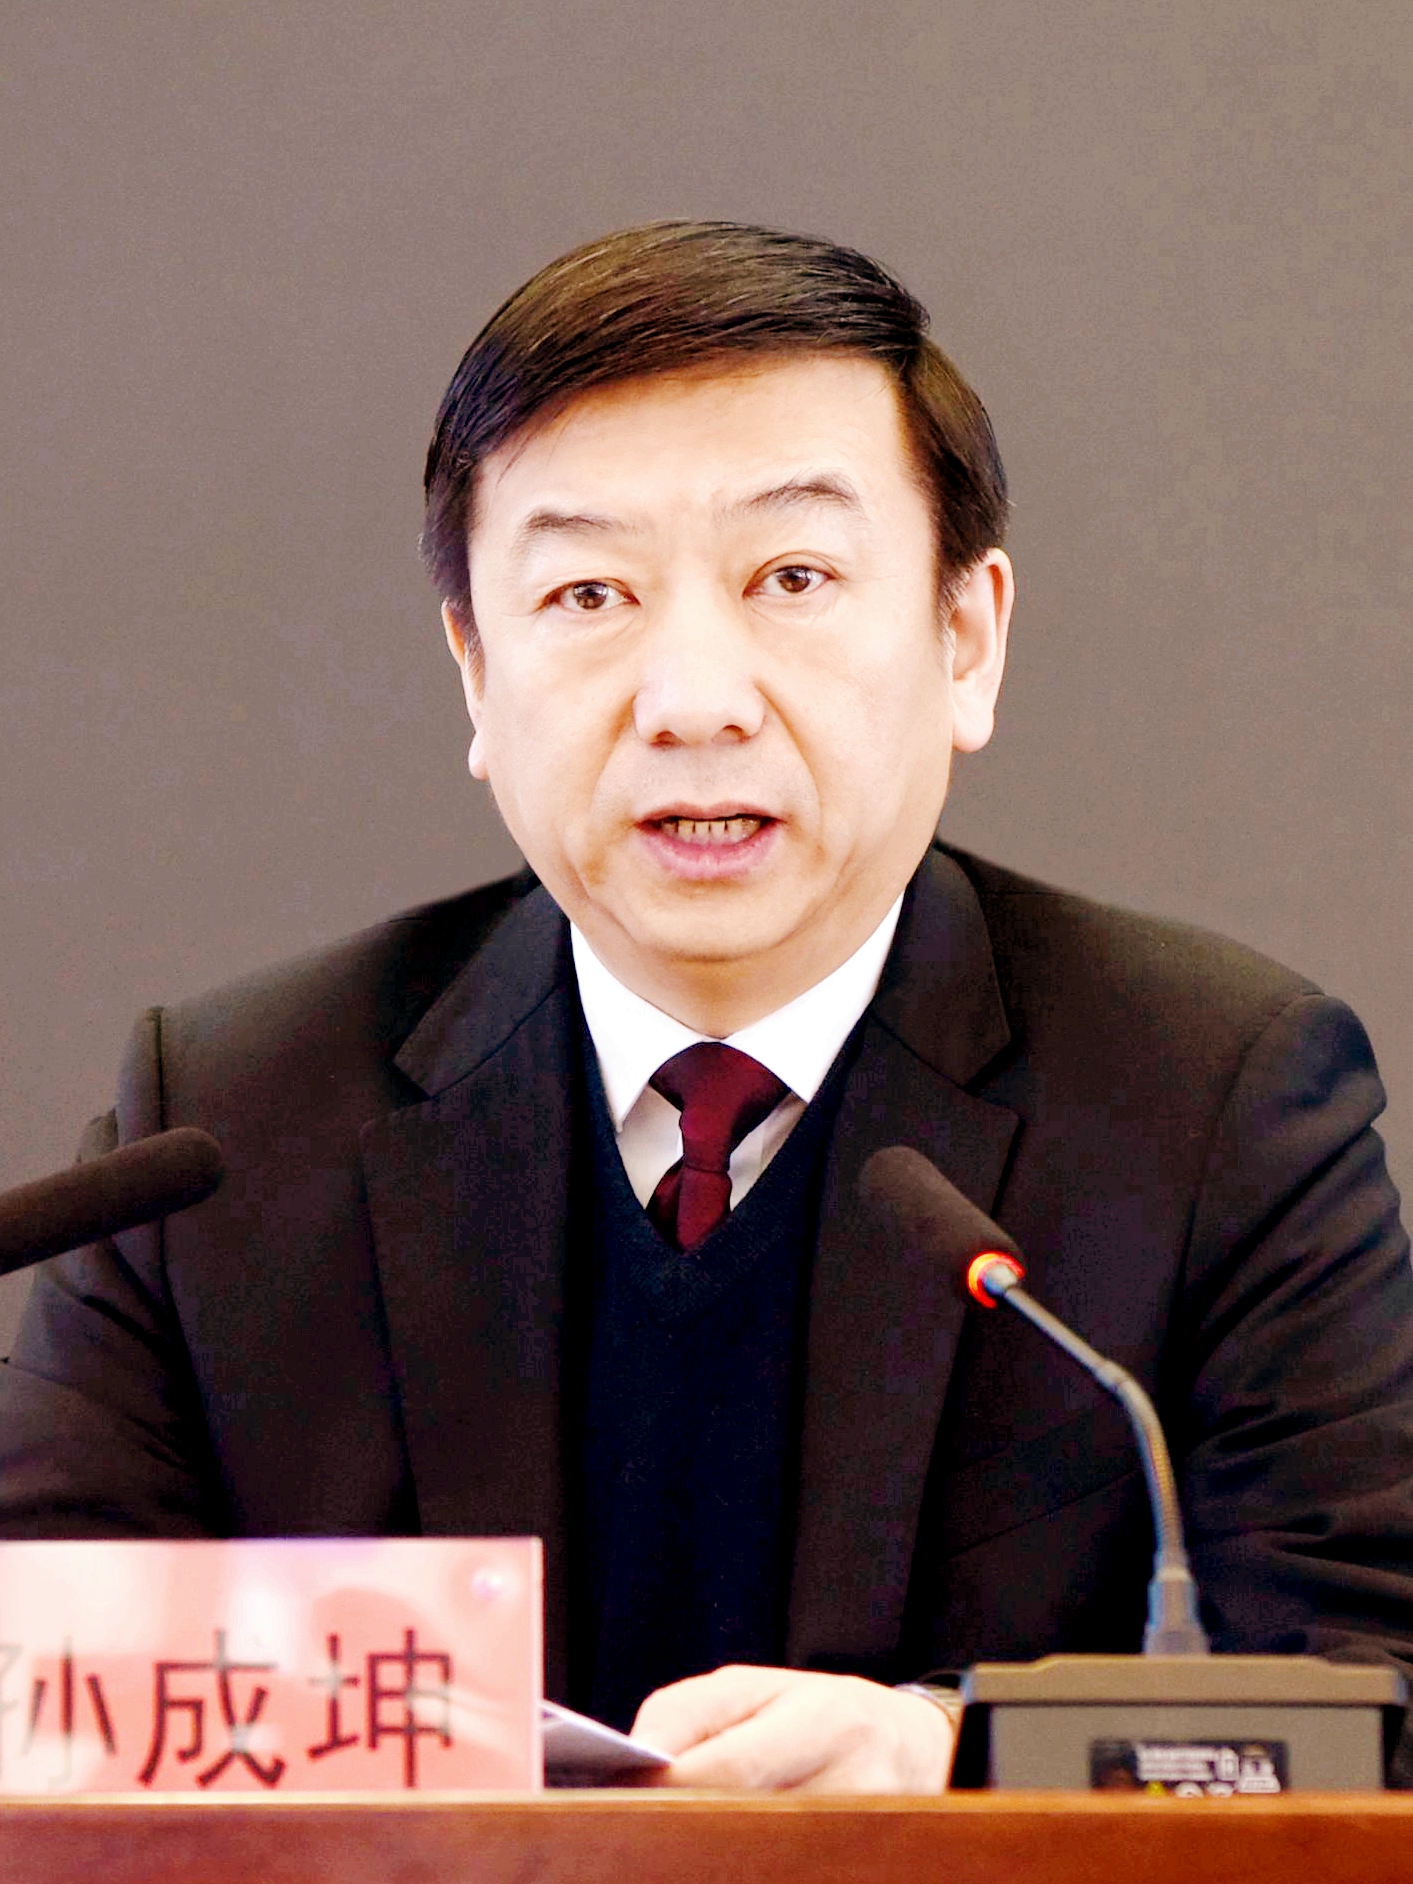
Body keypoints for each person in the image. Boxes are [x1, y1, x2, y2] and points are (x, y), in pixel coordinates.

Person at [2, 221, 1411, 1792]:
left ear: (964, 638)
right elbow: (37, 1701)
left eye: (791, 579)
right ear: (474, 672)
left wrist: (950, 1753)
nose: (691, 701)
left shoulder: (1210, 1102)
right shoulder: (227, 1126)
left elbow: (1369, 1702)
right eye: (586, 592)